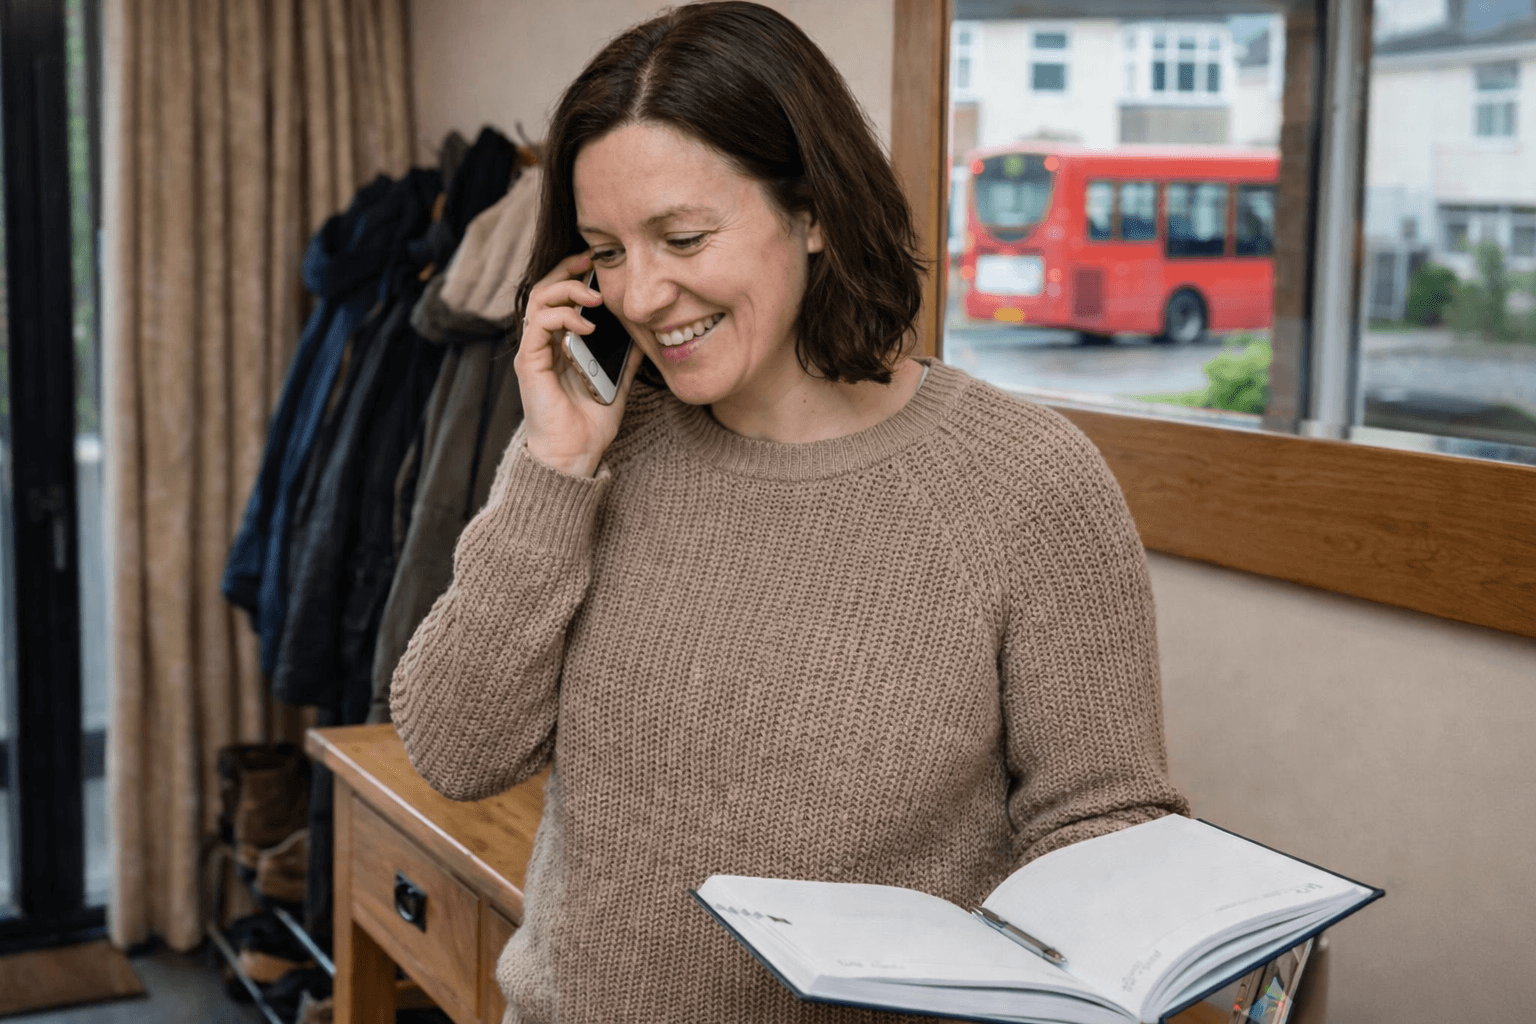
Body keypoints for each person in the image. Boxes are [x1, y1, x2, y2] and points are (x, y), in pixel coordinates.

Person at [390, 4, 1189, 1021]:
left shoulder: (1027, 484)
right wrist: (553, 464)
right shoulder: (591, 453)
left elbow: (1100, 826)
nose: (642, 293)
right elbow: (457, 752)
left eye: (682, 236)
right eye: (607, 251)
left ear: (811, 211)